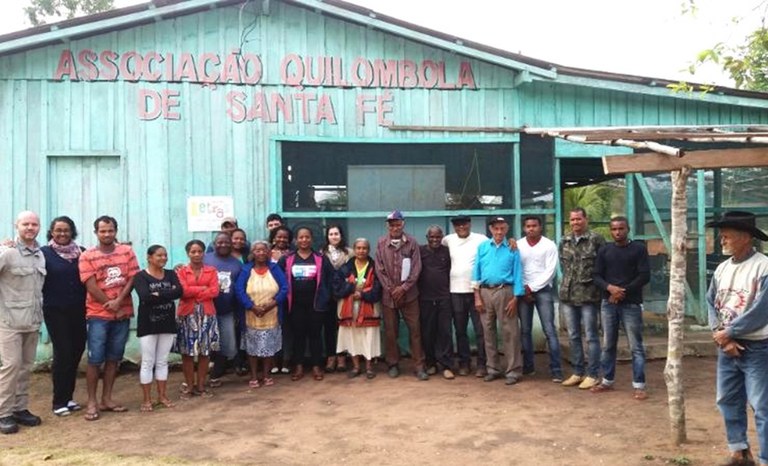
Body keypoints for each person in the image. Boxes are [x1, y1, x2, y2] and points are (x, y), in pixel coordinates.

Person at [706, 211, 768, 466]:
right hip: (726, 346)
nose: (721, 240)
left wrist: (730, 332)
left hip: (758, 346)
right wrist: (721, 337)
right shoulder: (722, 268)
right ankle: (740, 451)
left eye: (726, 235)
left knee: (762, 405)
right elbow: (712, 302)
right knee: (727, 399)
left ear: (745, 237)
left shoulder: (763, 266)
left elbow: (763, 309)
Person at [79, 215, 139, 421]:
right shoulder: (87, 256)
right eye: (102, 231)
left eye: (110, 230)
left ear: (116, 231)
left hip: (122, 313)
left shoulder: (127, 251)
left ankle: (107, 399)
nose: (107, 234)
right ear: (96, 232)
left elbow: (132, 277)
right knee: (95, 359)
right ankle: (92, 402)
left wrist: (119, 301)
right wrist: (111, 305)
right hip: (98, 315)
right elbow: (90, 285)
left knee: (114, 358)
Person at [591, 216, 650, 399]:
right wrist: (610, 289)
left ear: (628, 229)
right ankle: (607, 380)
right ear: (610, 231)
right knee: (608, 344)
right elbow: (596, 275)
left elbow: (644, 275)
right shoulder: (605, 250)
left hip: (630, 303)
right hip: (608, 303)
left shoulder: (638, 249)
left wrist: (622, 291)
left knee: (636, 346)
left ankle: (639, 385)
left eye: (621, 228)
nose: (618, 232)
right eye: (614, 229)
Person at [0, 211, 45, 435]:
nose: (30, 227)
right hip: (8, 321)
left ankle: (19, 408)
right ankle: (3, 413)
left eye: (34, 224)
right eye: (25, 224)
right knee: (11, 366)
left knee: (26, 367)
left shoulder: (39, 255)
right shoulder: (6, 253)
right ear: (16, 225)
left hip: (32, 321)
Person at [40, 216, 87, 417]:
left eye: (66, 230)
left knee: (77, 349)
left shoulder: (82, 252)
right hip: (55, 310)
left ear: (72, 232)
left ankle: (68, 397)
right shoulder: (43, 253)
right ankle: (58, 401)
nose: (62, 234)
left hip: (78, 309)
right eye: (58, 230)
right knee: (63, 352)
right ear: (51, 232)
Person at [472, 216, 525, 385]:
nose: (499, 232)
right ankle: (492, 368)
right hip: (486, 291)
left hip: (505, 291)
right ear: (491, 229)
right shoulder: (482, 247)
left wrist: (516, 297)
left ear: (507, 229)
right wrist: (477, 296)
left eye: (502, 228)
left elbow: (518, 273)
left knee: (510, 331)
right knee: (488, 331)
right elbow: (476, 272)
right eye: (496, 228)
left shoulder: (512, 247)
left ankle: (513, 370)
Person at [375, 210, 428, 381]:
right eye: (392, 224)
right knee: (391, 331)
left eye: (398, 223)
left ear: (403, 224)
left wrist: (404, 288)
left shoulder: (411, 242)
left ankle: (419, 365)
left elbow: (416, 268)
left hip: (410, 295)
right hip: (389, 296)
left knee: (415, 330)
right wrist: (392, 289)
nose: (395, 227)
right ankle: (393, 364)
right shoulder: (381, 243)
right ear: (387, 226)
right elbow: (379, 269)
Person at [278, 227, 334, 381]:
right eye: (301, 237)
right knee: (298, 336)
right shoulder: (287, 259)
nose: (304, 240)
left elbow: (329, 280)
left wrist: (326, 297)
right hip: (295, 305)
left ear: (312, 239)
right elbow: (279, 280)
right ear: (295, 240)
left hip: (316, 304)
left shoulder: (321, 259)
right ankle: (299, 366)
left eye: (307, 237)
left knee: (316, 335)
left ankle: (316, 366)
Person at [559, 207, 605, 390]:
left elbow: (603, 265)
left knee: (592, 336)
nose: (575, 223)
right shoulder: (565, 240)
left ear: (586, 219)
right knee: (573, 335)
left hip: (589, 295)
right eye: (572, 220)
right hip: (568, 295)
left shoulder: (596, 239)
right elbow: (564, 266)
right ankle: (577, 372)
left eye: (579, 219)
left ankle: (593, 374)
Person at [132, 245, 183, 412]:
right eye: (159, 255)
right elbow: (144, 296)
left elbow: (179, 292)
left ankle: (162, 396)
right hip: (148, 323)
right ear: (149, 257)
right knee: (148, 361)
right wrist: (167, 292)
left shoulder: (170, 274)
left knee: (162, 360)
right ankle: (147, 399)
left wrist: (158, 294)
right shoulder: (140, 276)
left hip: (167, 322)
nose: (163, 258)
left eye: (165, 255)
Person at [235, 241, 288, 388]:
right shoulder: (246, 270)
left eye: (264, 250)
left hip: (272, 313)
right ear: (253, 253)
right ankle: (253, 375)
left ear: (268, 252)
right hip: (251, 315)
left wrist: (272, 304)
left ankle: (266, 375)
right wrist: (252, 307)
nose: (261, 253)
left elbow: (284, 288)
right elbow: (239, 290)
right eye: (257, 250)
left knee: (269, 347)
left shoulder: (275, 268)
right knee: (252, 348)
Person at [517, 216, 563, 382]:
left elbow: (550, 271)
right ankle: (528, 367)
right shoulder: (519, 245)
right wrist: (524, 289)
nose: (531, 229)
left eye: (534, 226)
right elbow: (517, 268)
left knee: (549, 330)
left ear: (540, 227)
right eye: (528, 226)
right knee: (525, 331)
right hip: (523, 292)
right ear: (524, 228)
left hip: (543, 290)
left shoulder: (549, 245)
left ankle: (556, 369)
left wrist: (532, 288)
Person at [442, 215, 488, 377]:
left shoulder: (481, 239)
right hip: (455, 292)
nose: (461, 227)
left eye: (464, 224)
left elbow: (494, 248)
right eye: (457, 225)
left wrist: (511, 242)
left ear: (469, 224)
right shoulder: (448, 240)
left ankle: (482, 364)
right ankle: (464, 363)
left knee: (480, 330)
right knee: (460, 330)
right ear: (454, 227)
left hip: (477, 292)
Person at [176, 239, 220, 399]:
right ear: (188, 253)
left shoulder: (211, 270)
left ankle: (201, 385)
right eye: (193, 252)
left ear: (204, 253)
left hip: (207, 314)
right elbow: (182, 291)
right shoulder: (181, 271)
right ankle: (189, 385)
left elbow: (215, 291)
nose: (196, 254)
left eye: (199, 251)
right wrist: (203, 289)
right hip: (187, 315)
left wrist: (194, 292)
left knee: (204, 351)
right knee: (187, 353)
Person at [334, 238, 382, 379]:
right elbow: (337, 288)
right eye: (358, 248)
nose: (361, 251)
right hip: (349, 307)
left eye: (364, 248)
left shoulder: (375, 267)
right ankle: (356, 367)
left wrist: (362, 294)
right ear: (354, 250)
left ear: (369, 250)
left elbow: (378, 289)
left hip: (369, 307)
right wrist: (351, 288)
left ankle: (369, 367)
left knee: (369, 336)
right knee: (352, 336)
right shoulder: (345, 267)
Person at [204, 232, 242, 387]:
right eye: (220, 242)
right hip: (206, 309)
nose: (223, 244)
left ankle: (217, 373)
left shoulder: (236, 263)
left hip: (227, 310)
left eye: (226, 242)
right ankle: (206, 373)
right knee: (206, 342)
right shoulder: (206, 259)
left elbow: (239, 288)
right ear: (214, 244)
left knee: (227, 343)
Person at [418, 225, 455, 379]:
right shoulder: (420, 252)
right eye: (432, 237)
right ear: (427, 238)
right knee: (428, 333)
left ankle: (446, 365)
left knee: (445, 332)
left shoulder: (447, 252)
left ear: (442, 237)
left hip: (444, 298)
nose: (435, 240)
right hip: (425, 299)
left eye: (438, 237)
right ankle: (431, 363)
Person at [321, 224, 352, 373]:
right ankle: (330, 357)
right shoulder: (321, 253)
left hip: (344, 295)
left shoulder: (350, 253)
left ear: (341, 235)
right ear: (327, 237)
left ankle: (342, 357)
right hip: (326, 296)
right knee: (328, 328)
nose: (334, 237)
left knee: (343, 326)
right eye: (331, 234)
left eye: (337, 234)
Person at [269, 225, 294, 374]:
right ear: (273, 238)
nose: (282, 239)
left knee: (287, 330)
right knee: (272, 329)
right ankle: (273, 362)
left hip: (288, 297)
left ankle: (286, 361)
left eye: (285, 237)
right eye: (279, 236)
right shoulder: (266, 253)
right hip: (268, 297)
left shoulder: (292, 254)